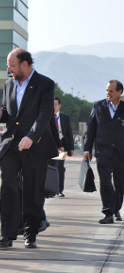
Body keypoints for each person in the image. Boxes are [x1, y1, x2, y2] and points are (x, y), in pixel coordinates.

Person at [0, 48, 57, 248]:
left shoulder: (45, 84)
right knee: (8, 187)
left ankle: (30, 233)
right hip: (11, 146)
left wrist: (31, 137)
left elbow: (44, 116)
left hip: (35, 146)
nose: (8, 69)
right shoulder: (9, 84)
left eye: (11, 65)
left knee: (32, 192)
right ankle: (6, 235)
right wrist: (0, 114)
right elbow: (10, 114)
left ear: (24, 64)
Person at [83, 80, 124, 224]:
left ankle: (115, 207)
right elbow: (91, 129)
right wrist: (87, 149)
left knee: (120, 184)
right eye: (107, 90)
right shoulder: (98, 105)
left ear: (120, 92)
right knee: (105, 182)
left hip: (121, 152)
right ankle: (108, 212)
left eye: (111, 91)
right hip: (103, 150)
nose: (108, 93)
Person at [52, 97, 74, 197]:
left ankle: (60, 190)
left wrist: (71, 148)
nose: (54, 106)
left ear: (59, 105)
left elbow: (69, 134)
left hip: (62, 147)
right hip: (50, 146)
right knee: (50, 167)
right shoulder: (47, 117)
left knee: (60, 168)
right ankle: (49, 189)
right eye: (52, 104)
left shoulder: (65, 118)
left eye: (56, 104)